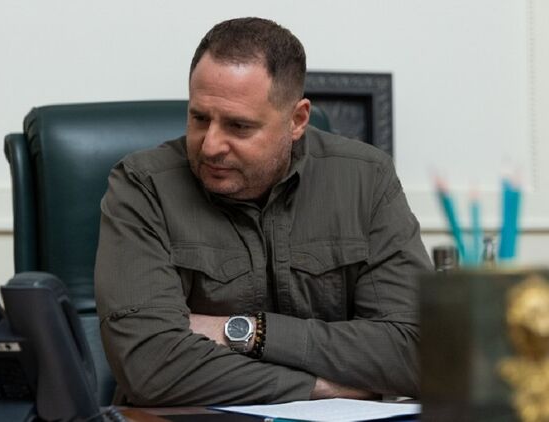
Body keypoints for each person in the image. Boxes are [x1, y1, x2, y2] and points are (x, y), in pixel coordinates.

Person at [94, 17, 432, 406]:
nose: (210, 146)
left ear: (297, 120)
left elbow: (421, 351)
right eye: (199, 118)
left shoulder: (366, 178)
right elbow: (150, 366)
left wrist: (246, 331)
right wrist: (321, 388)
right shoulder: (143, 186)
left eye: (238, 126)